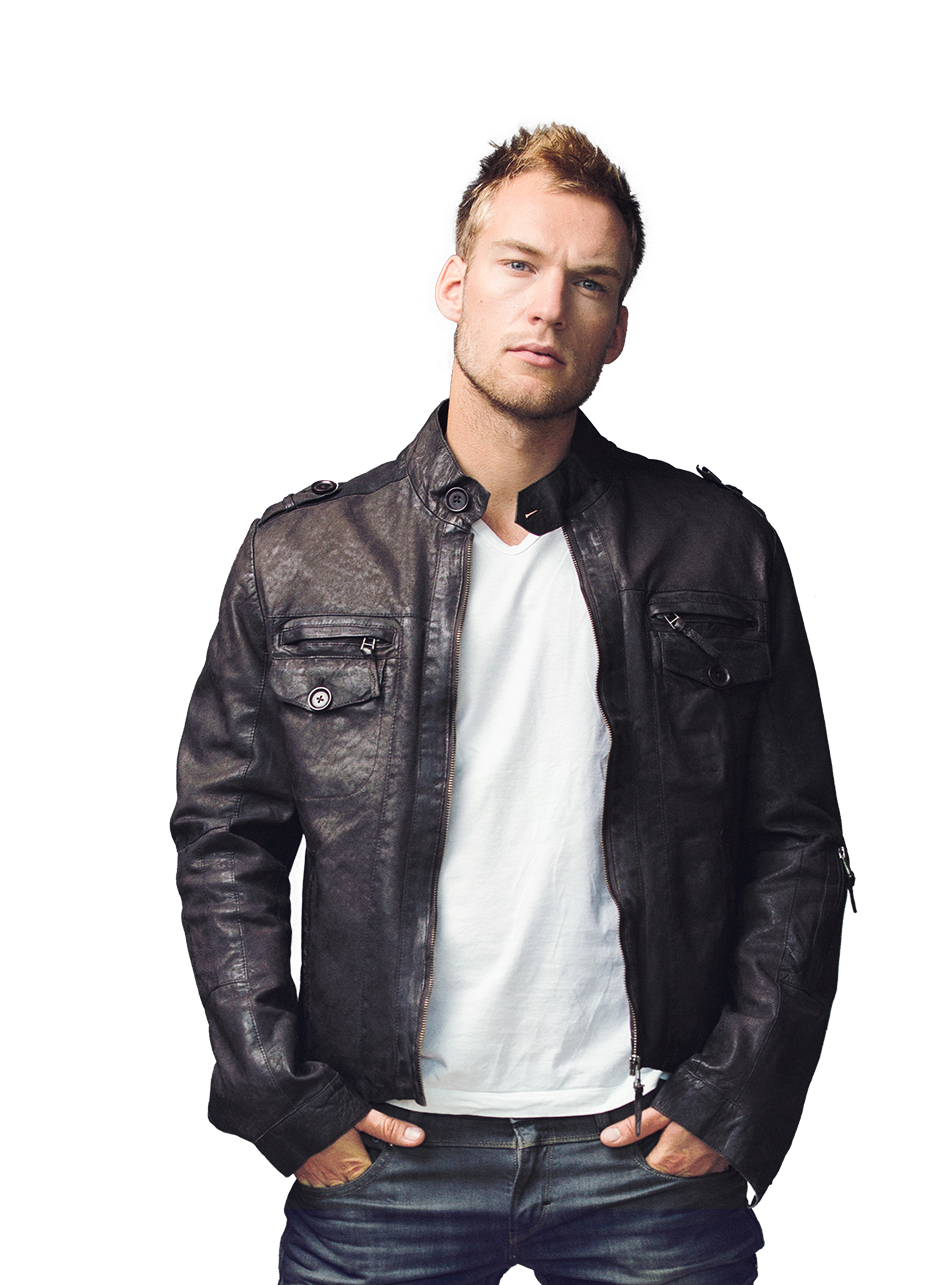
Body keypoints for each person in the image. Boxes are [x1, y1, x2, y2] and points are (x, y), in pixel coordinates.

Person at [172, 124, 853, 1285]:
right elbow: (223, 839)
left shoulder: (716, 543)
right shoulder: (302, 557)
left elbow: (795, 840)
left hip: (646, 1150)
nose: (548, 306)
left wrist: (736, 1088)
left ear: (618, 329)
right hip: (382, 1151)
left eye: (591, 282)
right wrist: (283, 1097)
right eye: (519, 264)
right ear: (455, 283)